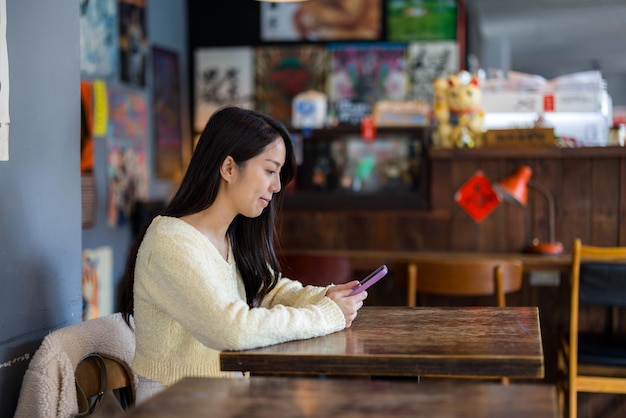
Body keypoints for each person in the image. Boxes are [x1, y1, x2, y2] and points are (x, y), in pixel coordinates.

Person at [119, 106, 367, 403]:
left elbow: (271, 289)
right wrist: (326, 315)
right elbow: (231, 329)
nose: (276, 186)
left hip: (218, 398)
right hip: (174, 403)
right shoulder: (170, 242)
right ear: (228, 168)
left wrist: (326, 298)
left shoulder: (228, 237)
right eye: (270, 170)